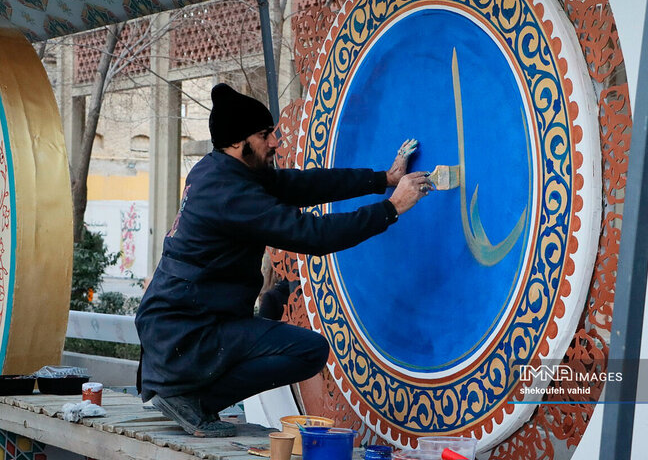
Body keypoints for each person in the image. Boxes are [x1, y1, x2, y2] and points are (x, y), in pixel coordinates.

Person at [134, 83, 433, 437]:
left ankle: (191, 397)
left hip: (180, 327)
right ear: (237, 142)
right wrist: (392, 207)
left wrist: (382, 179)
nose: (275, 142)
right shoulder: (230, 194)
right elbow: (313, 234)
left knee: (287, 340)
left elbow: (302, 185)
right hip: (189, 334)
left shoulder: (218, 171)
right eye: (265, 135)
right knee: (310, 351)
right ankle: (193, 400)